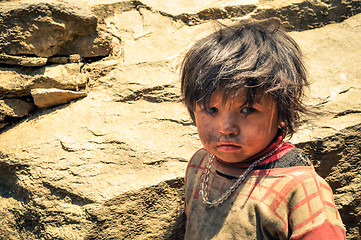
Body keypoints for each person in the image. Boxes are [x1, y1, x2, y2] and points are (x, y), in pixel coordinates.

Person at [180, 19, 346, 239]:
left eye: (247, 110)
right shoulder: (200, 164)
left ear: (283, 112)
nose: (226, 128)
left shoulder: (299, 187)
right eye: (211, 109)